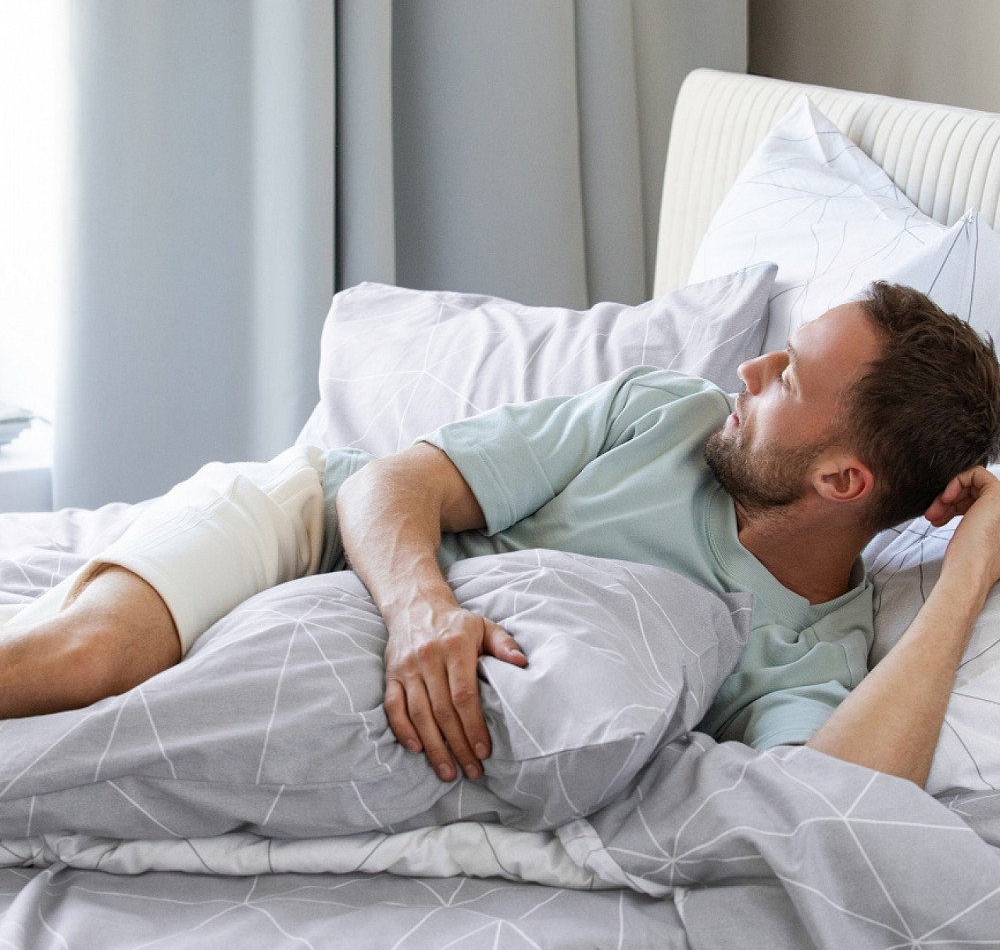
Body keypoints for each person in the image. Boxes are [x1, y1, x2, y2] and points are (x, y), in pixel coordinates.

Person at [2, 281, 1000, 793]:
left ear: (842, 481)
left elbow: (838, 803)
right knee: (92, 658)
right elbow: (393, 481)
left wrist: (963, 582)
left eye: (786, 377)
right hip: (311, 527)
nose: (749, 371)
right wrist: (420, 610)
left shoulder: (811, 644)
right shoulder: (665, 413)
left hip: (339, 643)